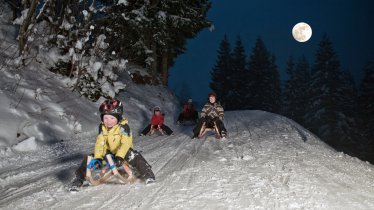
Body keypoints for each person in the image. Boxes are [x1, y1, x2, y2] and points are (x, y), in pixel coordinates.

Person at [70, 99, 155, 190]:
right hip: (108, 153)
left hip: (123, 152)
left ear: (118, 118)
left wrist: (119, 156)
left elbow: (126, 143)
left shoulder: (123, 127)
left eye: (112, 118)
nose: (108, 121)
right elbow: (100, 143)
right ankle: (78, 180)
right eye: (105, 118)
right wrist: (98, 156)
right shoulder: (102, 127)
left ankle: (148, 174)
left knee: (135, 156)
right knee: (88, 159)